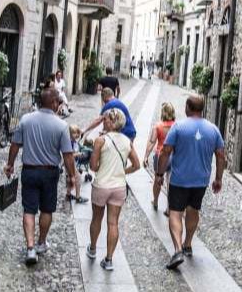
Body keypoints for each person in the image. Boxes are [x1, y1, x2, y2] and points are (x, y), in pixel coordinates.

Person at [4, 87, 77, 266]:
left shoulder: (26, 120)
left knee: (29, 209)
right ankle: (41, 242)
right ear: (53, 103)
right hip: (49, 173)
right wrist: (71, 176)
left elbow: (15, 144)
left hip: (29, 170)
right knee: (46, 210)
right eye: (59, 102)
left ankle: (30, 248)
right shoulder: (61, 126)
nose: (60, 105)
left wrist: (10, 164)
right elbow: (67, 155)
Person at [156, 94, 226, 270]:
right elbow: (220, 155)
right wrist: (218, 178)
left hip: (179, 179)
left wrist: (159, 173)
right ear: (202, 108)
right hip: (201, 181)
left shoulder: (178, 127)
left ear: (187, 107)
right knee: (194, 210)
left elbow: (166, 151)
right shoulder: (213, 129)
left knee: (175, 213)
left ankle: (178, 249)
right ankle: (188, 243)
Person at [87, 107, 141, 270]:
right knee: (113, 223)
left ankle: (93, 249)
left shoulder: (100, 141)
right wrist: (122, 171)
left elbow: (93, 167)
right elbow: (137, 165)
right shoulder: (127, 141)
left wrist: (101, 164)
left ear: (111, 122)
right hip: (119, 187)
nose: (104, 121)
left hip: (102, 185)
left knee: (97, 218)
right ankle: (109, 259)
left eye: (106, 120)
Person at [143, 102, 176, 211]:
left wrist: (146, 156)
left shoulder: (158, 126)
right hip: (173, 156)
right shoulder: (177, 126)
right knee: (170, 182)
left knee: (158, 179)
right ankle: (168, 207)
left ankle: (156, 201)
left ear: (163, 113)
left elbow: (152, 142)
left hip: (160, 156)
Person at [67, 124, 89, 204]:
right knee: (78, 178)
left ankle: (68, 194)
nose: (76, 135)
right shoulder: (69, 142)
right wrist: (78, 154)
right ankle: (78, 197)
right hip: (70, 163)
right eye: (74, 133)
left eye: (77, 133)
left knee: (70, 179)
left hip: (71, 163)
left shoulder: (73, 141)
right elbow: (69, 154)